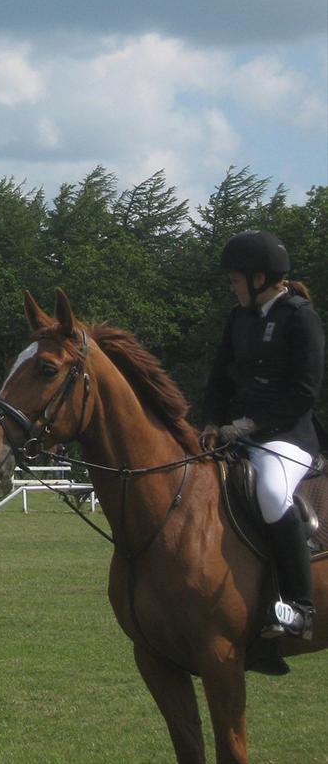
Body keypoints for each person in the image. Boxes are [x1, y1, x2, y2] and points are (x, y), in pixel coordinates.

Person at [201, 230, 323, 640]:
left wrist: (251, 425)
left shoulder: (299, 316)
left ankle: (301, 609)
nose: (232, 286)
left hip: (288, 437)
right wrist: (210, 422)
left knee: (271, 493)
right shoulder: (239, 319)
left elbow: (304, 393)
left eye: (236, 279)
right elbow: (219, 379)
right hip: (237, 435)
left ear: (259, 279)